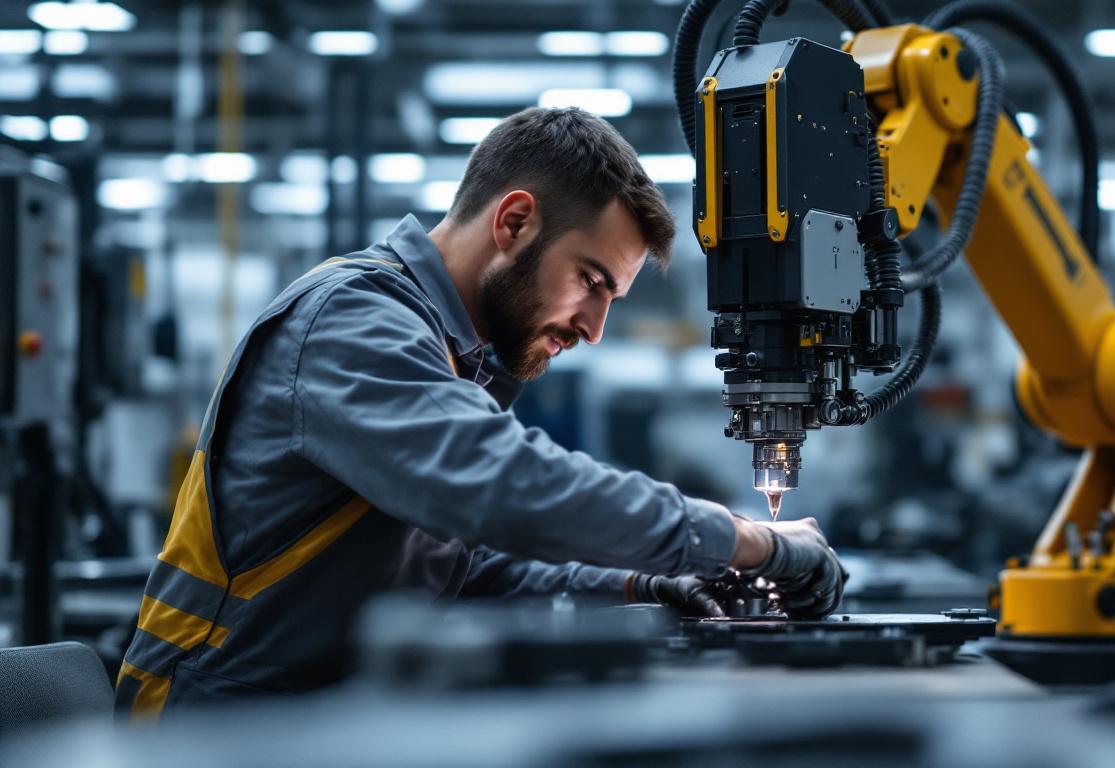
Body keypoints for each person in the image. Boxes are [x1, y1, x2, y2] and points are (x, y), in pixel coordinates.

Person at [115, 107, 844, 719]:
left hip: (307, 711)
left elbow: (459, 570)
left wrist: (640, 583)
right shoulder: (352, 322)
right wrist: (743, 539)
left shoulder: (449, 351)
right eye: (589, 281)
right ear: (515, 221)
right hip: (209, 724)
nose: (592, 328)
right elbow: (503, 486)